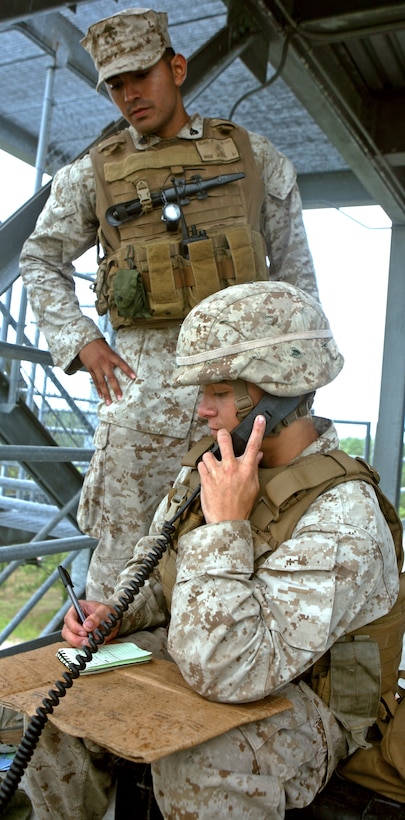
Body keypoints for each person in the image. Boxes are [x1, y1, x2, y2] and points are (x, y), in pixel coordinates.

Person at [23, 281, 401, 819]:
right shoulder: (216, 462)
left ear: (277, 391)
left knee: (199, 758)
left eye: (219, 392)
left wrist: (226, 526)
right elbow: (157, 572)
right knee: (58, 703)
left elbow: (227, 670)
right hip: (204, 659)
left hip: (308, 701)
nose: (201, 410)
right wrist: (117, 611)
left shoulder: (345, 517)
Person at [19, 7, 319, 602]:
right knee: (118, 588)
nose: (130, 95)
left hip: (242, 415)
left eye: (142, 75)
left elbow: (298, 292)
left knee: (231, 572)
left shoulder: (256, 160)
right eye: (115, 85)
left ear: (176, 67)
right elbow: (40, 258)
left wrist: (294, 404)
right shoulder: (92, 176)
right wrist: (82, 340)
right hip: (140, 419)